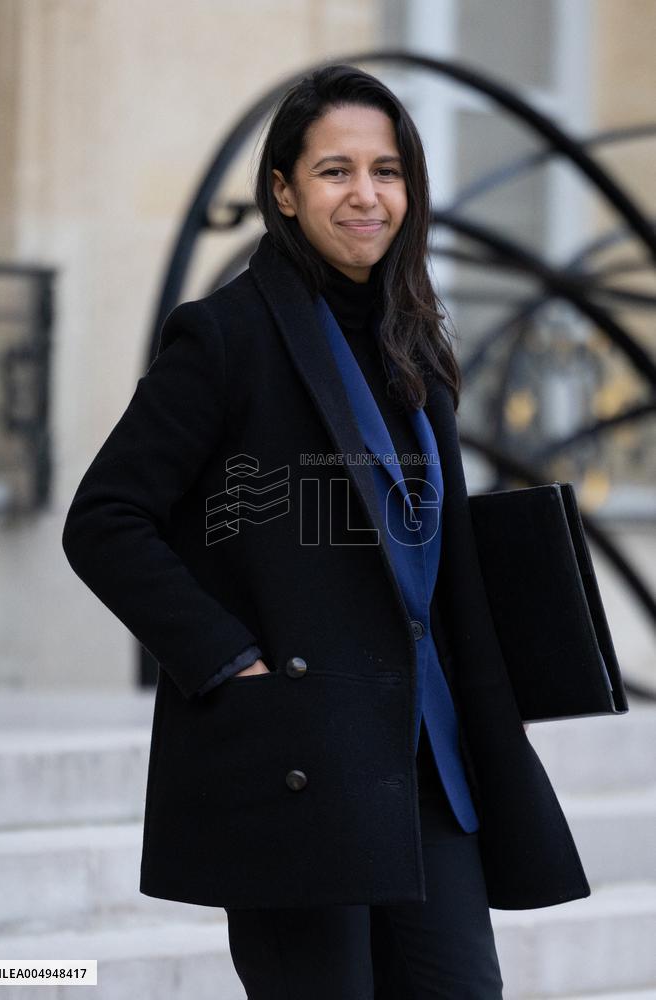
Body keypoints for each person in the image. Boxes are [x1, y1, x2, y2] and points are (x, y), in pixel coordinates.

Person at [62, 63, 590, 998]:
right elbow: (105, 519)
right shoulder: (224, 336)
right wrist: (226, 658)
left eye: (387, 172)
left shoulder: (414, 339)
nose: (367, 195)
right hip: (299, 761)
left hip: (431, 763)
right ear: (283, 190)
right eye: (336, 171)